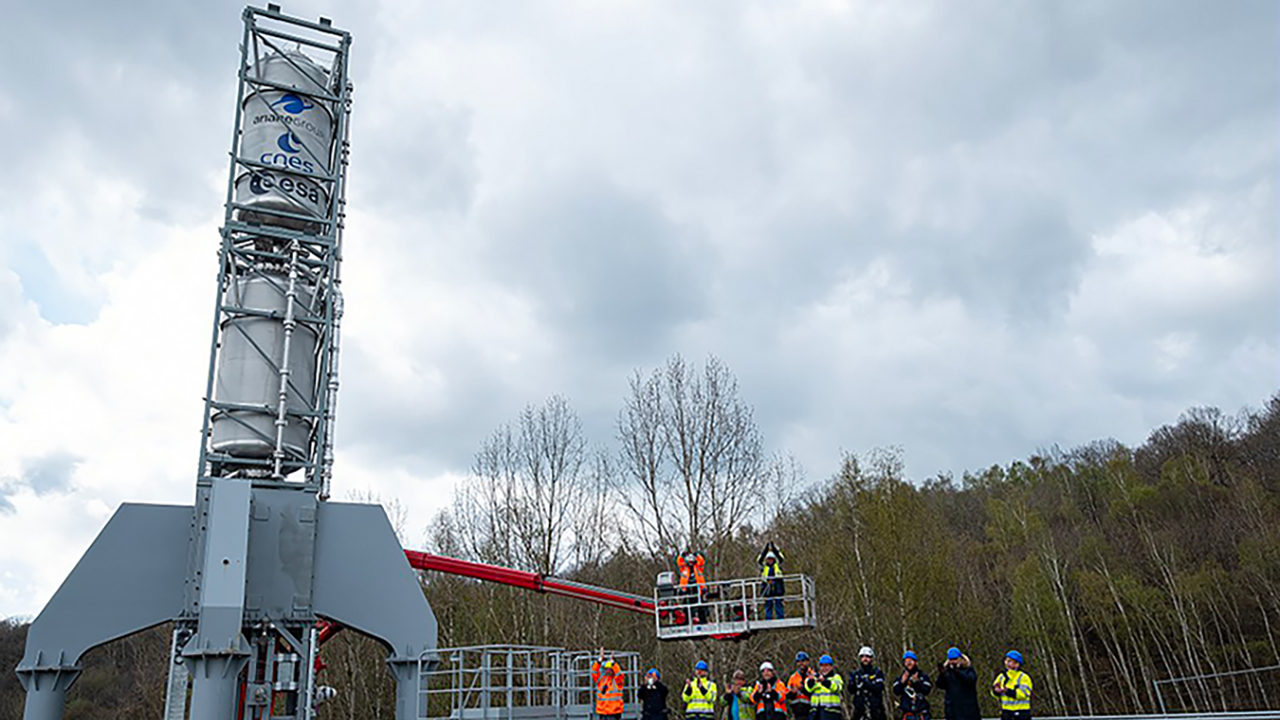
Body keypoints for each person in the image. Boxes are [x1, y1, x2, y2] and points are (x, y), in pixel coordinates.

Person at [934, 647, 979, 720]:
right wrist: (942, 674)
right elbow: (940, 685)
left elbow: (970, 680)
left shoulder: (968, 670)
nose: (953, 662)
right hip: (952, 711)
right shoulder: (947, 673)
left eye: (955, 659)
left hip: (968, 711)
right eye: (951, 660)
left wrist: (957, 671)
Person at [991, 651, 1033, 720]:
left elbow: (1024, 693)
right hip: (1007, 712)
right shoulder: (1001, 676)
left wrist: (1008, 691)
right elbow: (993, 693)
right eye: (1006, 660)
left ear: (1017, 664)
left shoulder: (1024, 677)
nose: (1007, 663)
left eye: (1010, 661)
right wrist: (996, 691)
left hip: (1022, 712)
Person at [891, 651, 932, 720]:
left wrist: (917, 683)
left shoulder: (923, 676)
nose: (909, 663)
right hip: (907, 714)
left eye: (911, 660)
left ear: (915, 662)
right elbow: (896, 691)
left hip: (921, 713)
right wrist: (902, 682)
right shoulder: (900, 677)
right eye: (906, 661)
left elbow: (927, 690)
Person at [804, 654, 844, 720]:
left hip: (831, 713)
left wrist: (824, 681)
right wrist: (811, 680)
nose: (824, 668)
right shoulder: (815, 678)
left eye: (826, 665)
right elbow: (808, 688)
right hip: (815, 714)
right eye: (822, 666)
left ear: (831, 667)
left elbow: (837, 687)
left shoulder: (836, 677)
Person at [850, 646, 886, 720]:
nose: (865, 659)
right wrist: (854, 684)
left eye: (867, 656)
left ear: (871, 658)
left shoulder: (877, 673)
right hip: (860, 710)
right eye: (862, 656)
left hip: (875, 710)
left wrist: (866, 684)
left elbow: (880, 687)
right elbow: (851, 690)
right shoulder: (856, 674)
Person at [677, 549, 708, 623]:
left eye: (692, 561)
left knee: (701, 605)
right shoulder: (684, 568)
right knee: (687, 606)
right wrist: (682, 555)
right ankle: (687, 620)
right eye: (689, 561)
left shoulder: (698, 568)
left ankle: (703, 620)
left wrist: (697, 555)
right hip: (687, 589)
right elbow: (679, 561)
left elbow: (701, 561)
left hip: (698, 589)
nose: (690, 563)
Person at [592, 649, 625, 720]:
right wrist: (599, 661)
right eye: (606, 669)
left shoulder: (617, 680)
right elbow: (593, 672)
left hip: (614, 713)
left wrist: (613, 664)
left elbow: (619, 674)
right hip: (602, 712)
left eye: (609, 669)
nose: (607, 670)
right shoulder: (601, 679)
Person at [758, 542, 786, 620]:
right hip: (767, 589)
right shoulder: (764, 567)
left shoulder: (778, 565)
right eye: (768, 559)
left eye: (771, 559)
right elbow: (760, 559)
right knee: (768, 604)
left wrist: (773, 548)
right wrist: (766, 549)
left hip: (777, 588)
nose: (770, 561)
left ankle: (780, 618)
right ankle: (768, 618)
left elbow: (780, 557)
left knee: (778, 604)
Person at [786, 652, 815, 720]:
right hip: (797, 711)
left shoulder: (813, 675)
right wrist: (793, 693)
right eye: (798, 661)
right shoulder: (793, 677)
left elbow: (815, 692)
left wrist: (802, 689)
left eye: (803, 661)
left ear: (808, 662)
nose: (801, 663)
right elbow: (787, 695)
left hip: (811, 710)